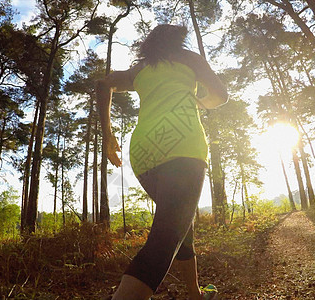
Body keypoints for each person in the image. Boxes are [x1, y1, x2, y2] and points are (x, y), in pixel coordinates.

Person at [95, 24, 228, 300]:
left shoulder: (140, 70)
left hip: (145, 154)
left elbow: (103, 83)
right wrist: (198, 102)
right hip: (183, 147)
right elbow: (221, 96)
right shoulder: (189, 58)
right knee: (168, 233)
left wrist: (108, 135)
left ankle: (195, 294)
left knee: (179, 222)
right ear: (178, 41)